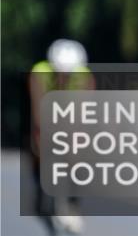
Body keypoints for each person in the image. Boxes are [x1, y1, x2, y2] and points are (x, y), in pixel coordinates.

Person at [28, 39, 95, 235]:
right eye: (60, 74)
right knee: (39, 148)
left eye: (68, 74)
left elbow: (84, 112)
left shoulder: (85, 76)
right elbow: (38, 110)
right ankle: (41, 190)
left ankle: (73, 203)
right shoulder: (40, 72)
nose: (64, 78)